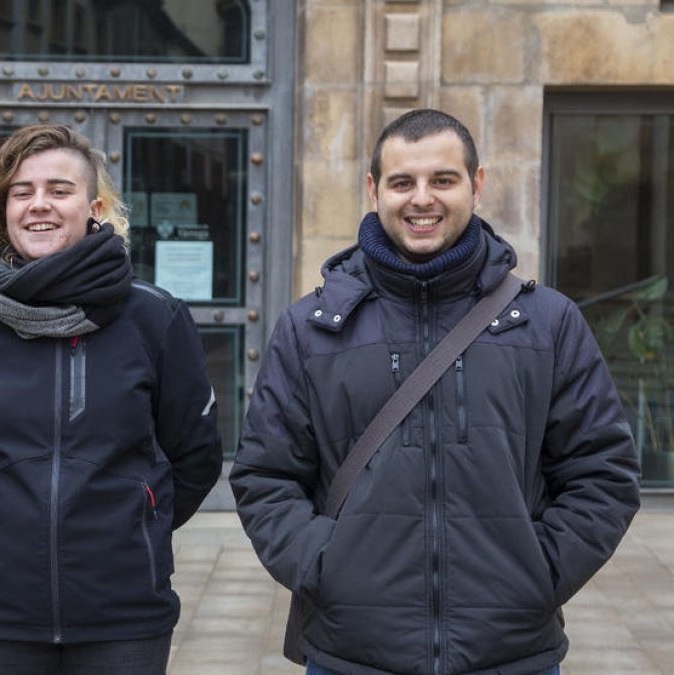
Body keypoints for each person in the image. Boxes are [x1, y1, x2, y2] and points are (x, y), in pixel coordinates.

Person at [230, 109, 641, 675]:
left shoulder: (547, 322)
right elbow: (265, 476)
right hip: (355, 656)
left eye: (442, 180)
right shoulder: (312, 328)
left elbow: (604, 472)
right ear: (374, 190)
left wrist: (537, 575)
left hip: (512, 655)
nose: (422, 198)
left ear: (476, 184)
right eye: (402, 182)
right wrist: (328, 568)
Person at [0, 124, 222, 675]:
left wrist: (136, 523)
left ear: (92, 207)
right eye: (21, 192)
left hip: (124, 617)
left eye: (58, 190)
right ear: (4, 209)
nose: (38, 205)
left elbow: (196, 455)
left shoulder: (154, 317)